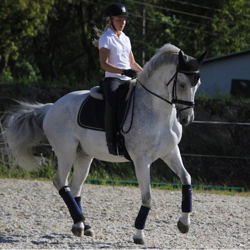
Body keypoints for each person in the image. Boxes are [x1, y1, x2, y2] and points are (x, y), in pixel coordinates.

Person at [96, 2, 143, 156]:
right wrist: (123, 71)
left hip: (128, 78)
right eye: (119, 20)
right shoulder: (106, 38)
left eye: (124, 20)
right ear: (110, 20)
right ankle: (112, 142)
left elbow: (133, 63)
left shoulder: (126, 39)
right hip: (113, 79)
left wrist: (145, 74)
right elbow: (104, 64)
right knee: (113, 102)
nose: (122, 23)